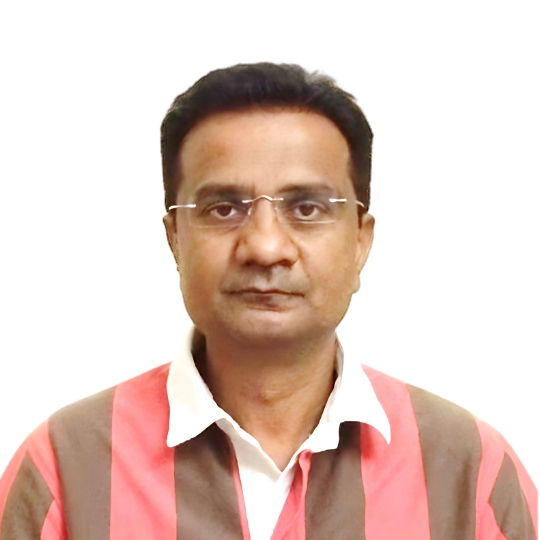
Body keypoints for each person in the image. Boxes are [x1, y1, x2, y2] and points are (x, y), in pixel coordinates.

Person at [0, 63, 536, 540]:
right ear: (175, 239)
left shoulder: (469, 471)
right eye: (223, 208)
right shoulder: (64, 470)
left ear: (360, 240)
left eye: (307, 208)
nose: (265, 246)